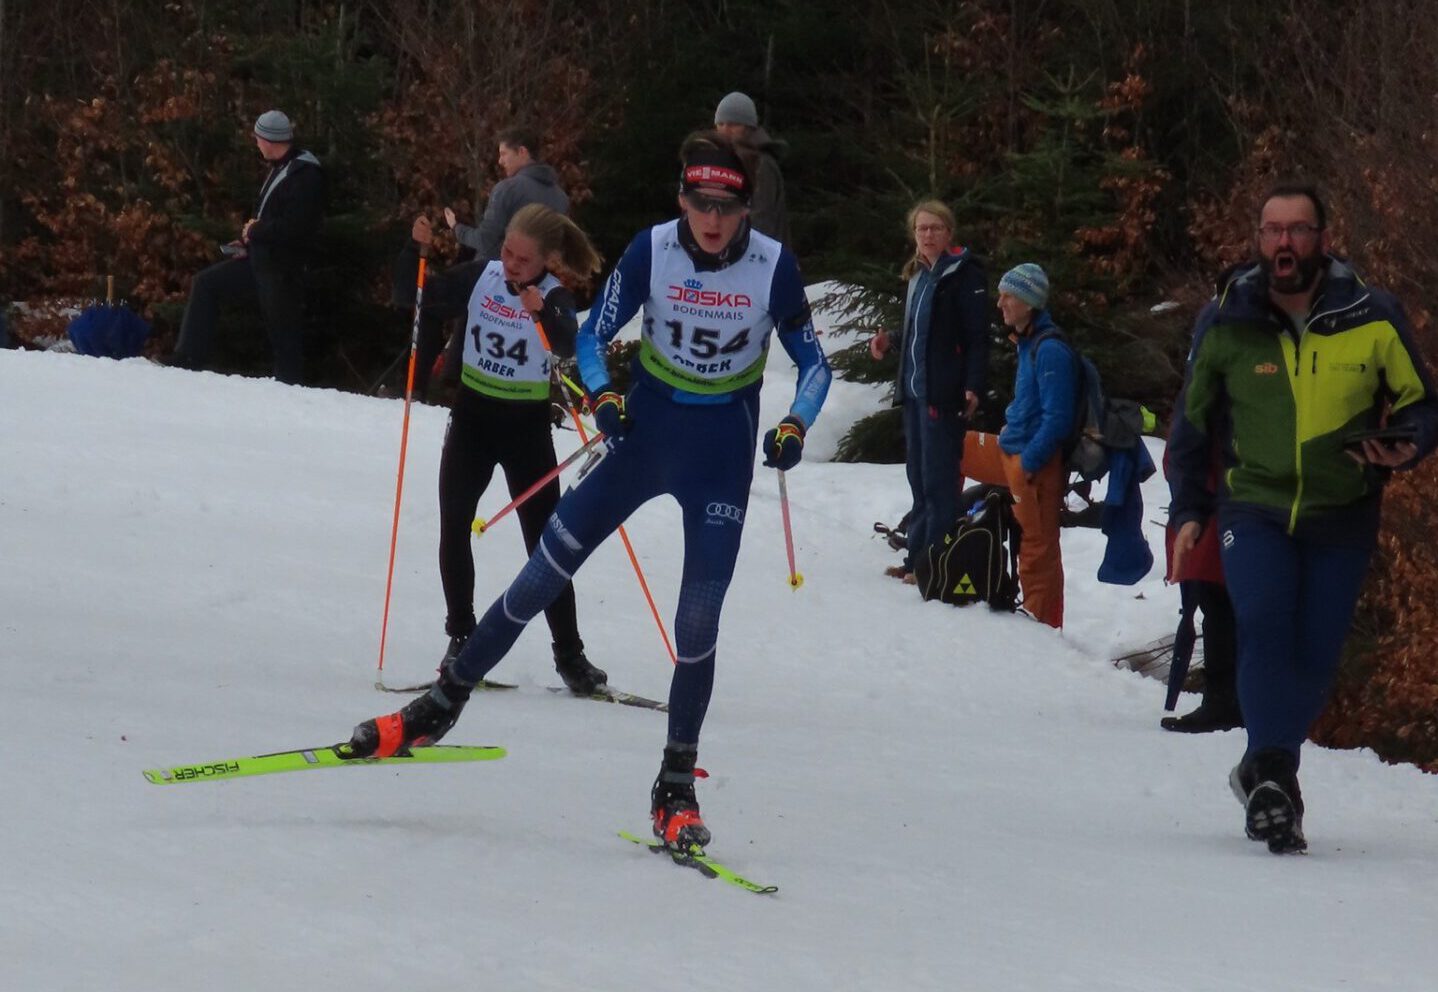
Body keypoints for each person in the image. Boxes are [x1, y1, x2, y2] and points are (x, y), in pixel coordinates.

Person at [346, 132, 831, 851]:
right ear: (681, 200)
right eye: (700, 202)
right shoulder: (653, 249)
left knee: (696, 623)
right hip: (646, 441)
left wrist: (796, 421)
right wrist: (602, 395)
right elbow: (593, 334)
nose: (712, 217)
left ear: (744, 207)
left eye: (727, 205)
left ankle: (675, 784)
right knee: (545, 566)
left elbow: (815, 363)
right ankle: (440, 706)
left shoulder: (774, 268)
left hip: (719, 459)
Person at [1168, 184, 1438, 854]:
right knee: (1263, 620)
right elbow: (1191, 426)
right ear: (1257, 240)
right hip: (1253, 506)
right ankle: (1274, 772)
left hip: (1342, 510)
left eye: (1298, 230)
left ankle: (1263, 771)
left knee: (1316, 654)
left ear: (1323, 237)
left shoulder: (1372, 316)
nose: (1283, 243)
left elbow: (1424, 406)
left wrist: (1407, 443)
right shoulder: (1226, 321)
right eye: (1271, 230)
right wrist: (1188, 510)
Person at [393, 203, 607, 692]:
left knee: (545, 546)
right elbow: (415, 294)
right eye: (507, 252)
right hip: (472, 418)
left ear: (547, 260)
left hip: (525, 428)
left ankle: (570, 656)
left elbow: (567, 343)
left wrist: (542, 315)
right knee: (453, 524)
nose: (511, 264)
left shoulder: (556, 296)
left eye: (522, 259)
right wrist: (415, 247)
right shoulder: (481, 275)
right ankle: (461, 638)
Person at [869, 200, 989, 583]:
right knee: (918, 477)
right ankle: (916, 558)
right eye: (922, 229)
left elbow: (977, 338)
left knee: (939, 481)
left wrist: (973, 385)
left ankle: (938, 563)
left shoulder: (963, 274)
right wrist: (891, 340)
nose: (928, 235)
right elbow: (923, 333)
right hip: (915, 392)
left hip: (943, 391)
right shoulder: (918, 274)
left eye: (935, 228)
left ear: (949, 233)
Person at [412, 127, 571, 402]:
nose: (500, 161)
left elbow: (485, 240)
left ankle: (424, 390)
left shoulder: (508, 188)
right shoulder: (561, 197)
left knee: (432, 307)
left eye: (503, 154)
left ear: (522, 152)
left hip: (495, 278)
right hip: (538, 284)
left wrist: (456, 229)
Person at [958, 263, 1076, 629]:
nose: (1001, 303)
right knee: (952, 446)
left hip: (1033, 465)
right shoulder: (1026, 342)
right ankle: (938, 545)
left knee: (1036, 549)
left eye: (1008, 296)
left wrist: (1029, 461)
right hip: (1009, 450)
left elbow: (1058, 419)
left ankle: (1042, 630)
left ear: (1028, 302)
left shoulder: (1051, 350)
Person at [170, 110, 324, 384]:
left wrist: (255, 230)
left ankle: (290, 388)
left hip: (282, 268)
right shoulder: (280, 169)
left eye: (258, 138)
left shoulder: (304, 175)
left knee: (283, 333)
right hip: (261, 260)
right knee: (206, 284)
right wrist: (248, 242)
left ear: (270, 139)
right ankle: (186, 360)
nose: (256, 143)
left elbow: (296, 228)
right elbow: (273, 220)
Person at [713, 92, 789, 244]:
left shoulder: (761, 163)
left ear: (748, 128)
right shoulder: (725, 160)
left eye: (734, 124)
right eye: (721, 124)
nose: (726, 130)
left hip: (760, 255)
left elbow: (761, 219)